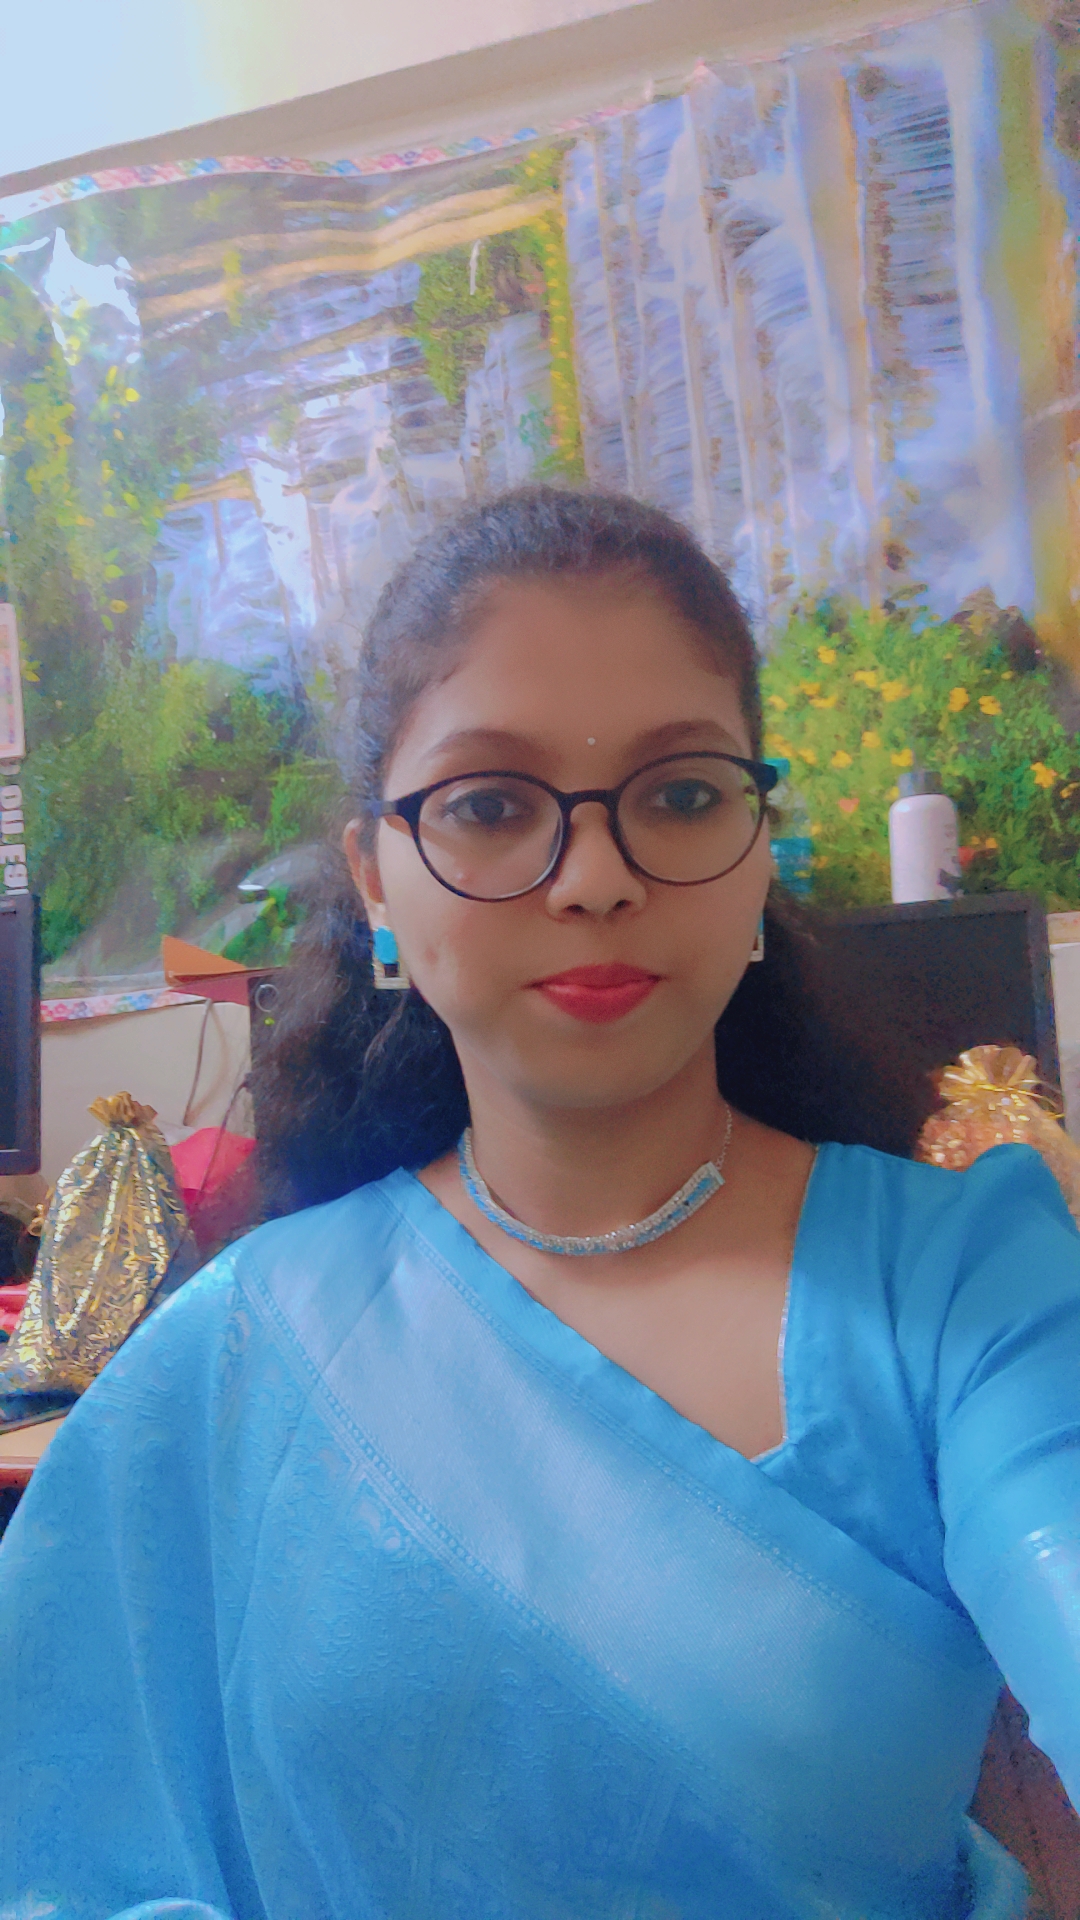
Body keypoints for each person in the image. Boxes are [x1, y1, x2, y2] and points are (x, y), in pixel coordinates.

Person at [2, 486, 1079, 1920]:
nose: (595, 878)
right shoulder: (243, 1352)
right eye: (491, 806)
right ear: (376, 882)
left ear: (759, 845)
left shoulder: (963, 1288)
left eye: (680, 794)